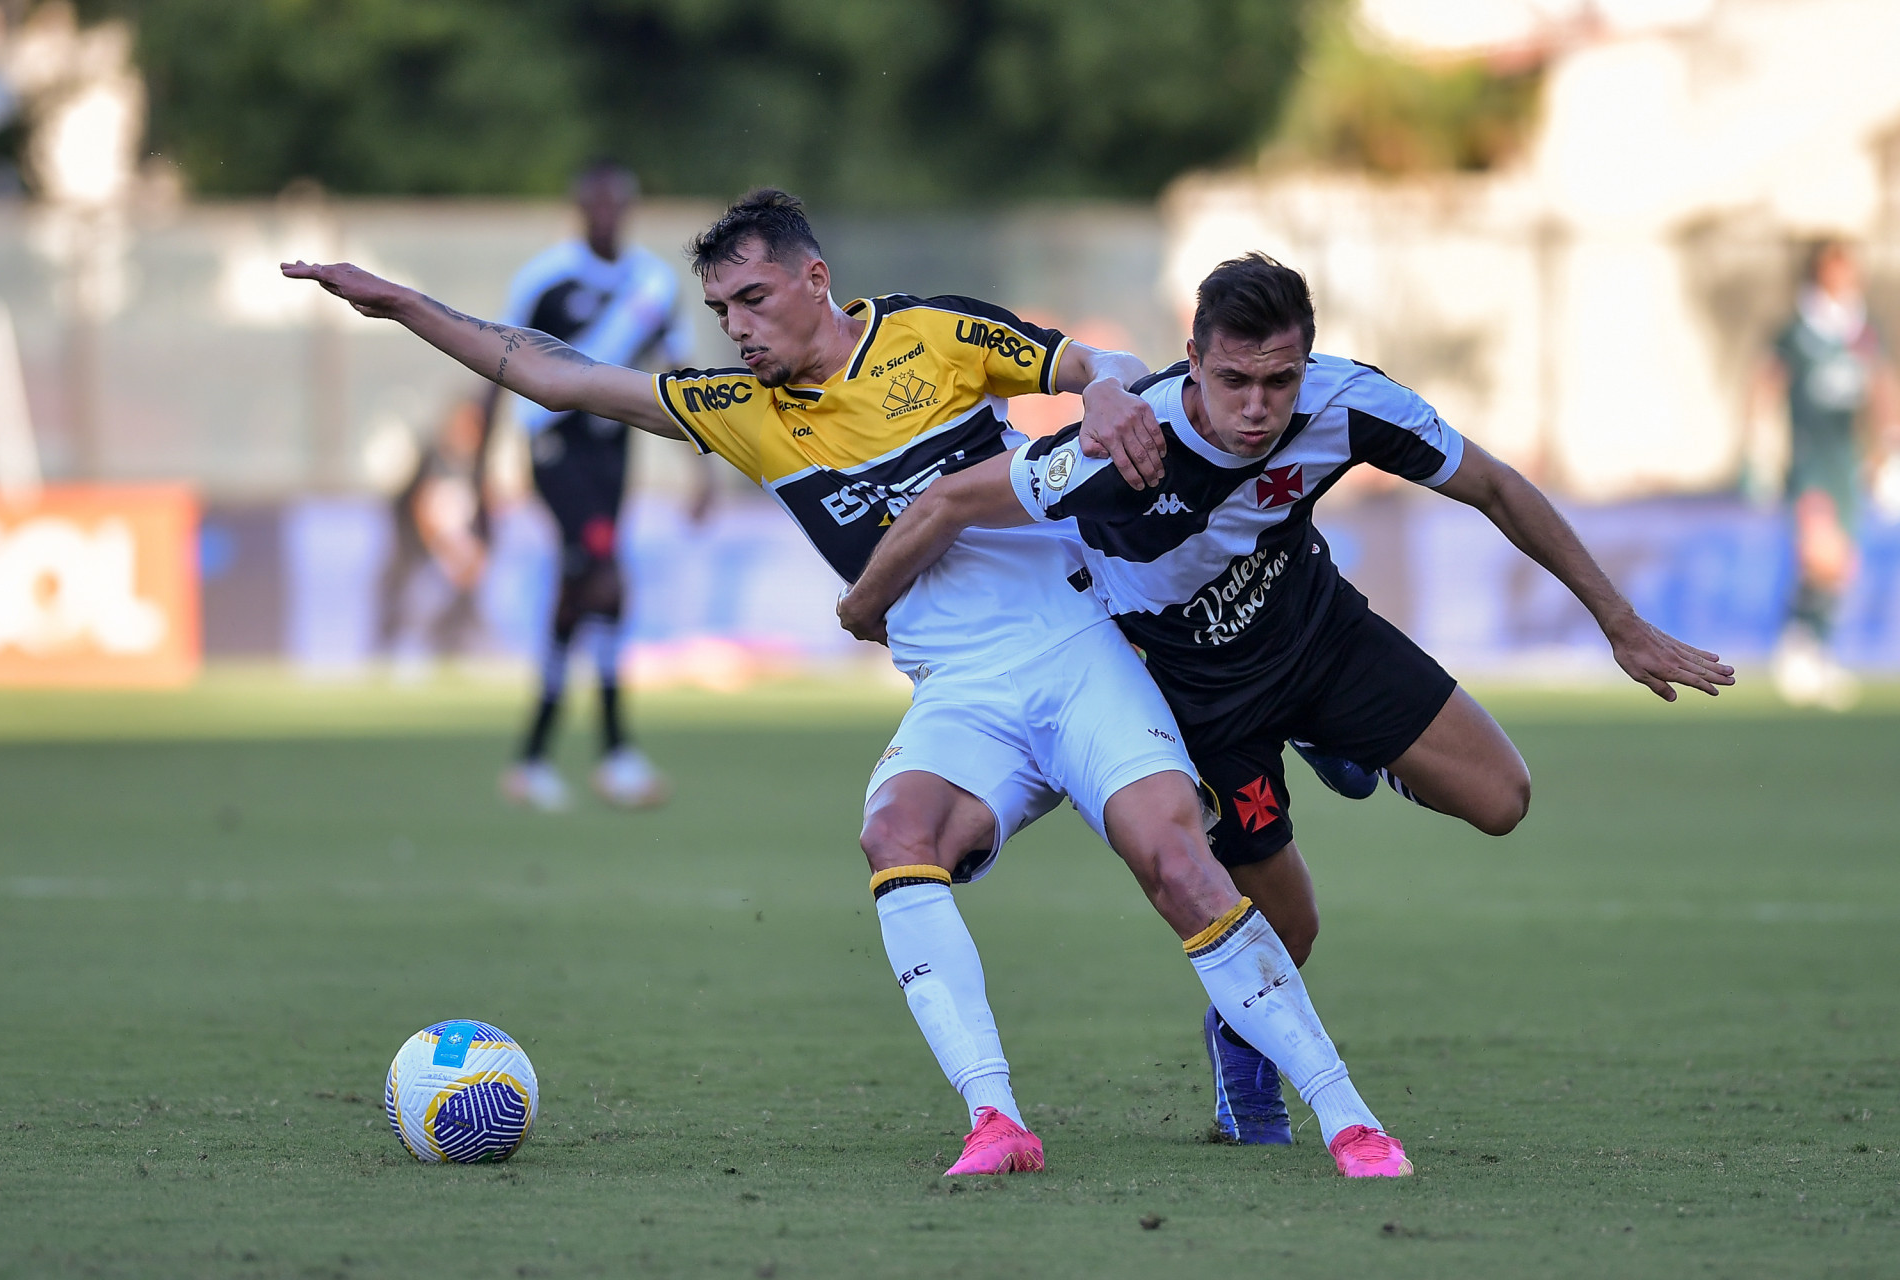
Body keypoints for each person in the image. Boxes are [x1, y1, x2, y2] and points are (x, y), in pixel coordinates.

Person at [282, 192, 1415, 1179]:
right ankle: (996, 1114)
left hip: (1080, 650)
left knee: (1176, 861)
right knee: (895, 831)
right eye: (722, 308)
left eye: (756, 298)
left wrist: (1114, 392)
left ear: (815, 278)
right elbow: (552, 370)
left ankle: (1350, 1120)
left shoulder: (930, 335)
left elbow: (1087, 364)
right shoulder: (738, 412)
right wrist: (398, 303)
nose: (738, 326)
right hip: (961, 689)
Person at [838, 252, 1734, 1144]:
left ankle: (1346, 743)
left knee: (1505, 799)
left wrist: (1621, 623)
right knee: (1289, 933)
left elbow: (1496, 486)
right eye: (1234, 380)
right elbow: (947, 503)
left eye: (1280, 379)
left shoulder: (1346, 403)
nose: (1259, 407)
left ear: (1309, 360)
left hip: (1321, 639)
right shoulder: (1117, 451)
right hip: (1204, 710)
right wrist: (865, 608)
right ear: (1192, 360)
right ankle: (1239, 1030)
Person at [493, 159, 706, 812]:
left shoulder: (652, 283)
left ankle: (533, 760)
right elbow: (494, 364)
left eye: (617, 205)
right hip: (556, 448)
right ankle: (614, 755)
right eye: (596, 205)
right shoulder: (546, 280)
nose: (606, 216)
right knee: (607, 579)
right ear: (579, 209)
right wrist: (480, 479)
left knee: (585, 590)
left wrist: (703, 467)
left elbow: (682, 374)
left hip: (614, 454)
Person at [1752, 239, 1900, 710]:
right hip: (1809, 462)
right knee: (1822, 556)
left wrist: (1893, 450)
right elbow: (1766, 385)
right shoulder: (1797, 331)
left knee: (1841, 568)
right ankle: (1799, 645)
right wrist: (1759, 451)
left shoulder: (1862, 330)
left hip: (1847, 462)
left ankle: (1811, 646)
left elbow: (1883, 389)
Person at [376, 398, 488, 672]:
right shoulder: (434, 457)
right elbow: (423, 508)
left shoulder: (475, 464)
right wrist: (446, 550)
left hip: (457, 556)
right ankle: (398, 661)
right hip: (421, 554)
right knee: (416, 606)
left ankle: (457, 657)